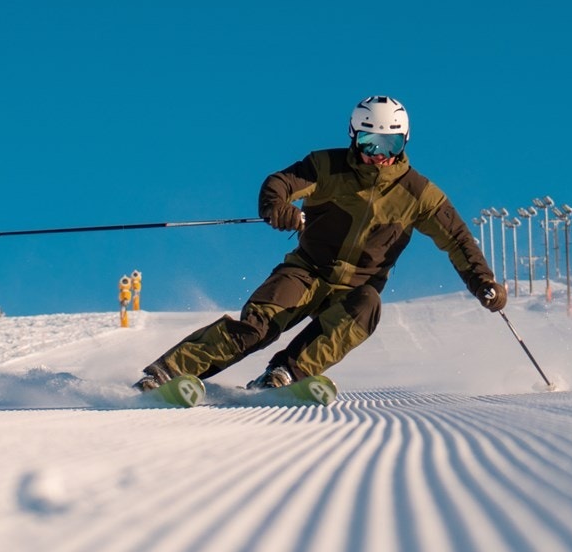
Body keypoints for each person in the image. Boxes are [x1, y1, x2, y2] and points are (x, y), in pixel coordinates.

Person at [135, 95, 507, 392]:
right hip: (306, 270)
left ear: (403, 141)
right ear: (354, 136)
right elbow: (280, 184)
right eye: (369, 141)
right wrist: (278, 207)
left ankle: (286, 372)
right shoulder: (327, 166)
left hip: (355, 289)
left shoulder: (419, 194)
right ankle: (167, 372)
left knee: (367, 307)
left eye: (390, 143)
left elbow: (458, 239)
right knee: (258, 326)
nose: (379, 154)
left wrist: (483, 282)